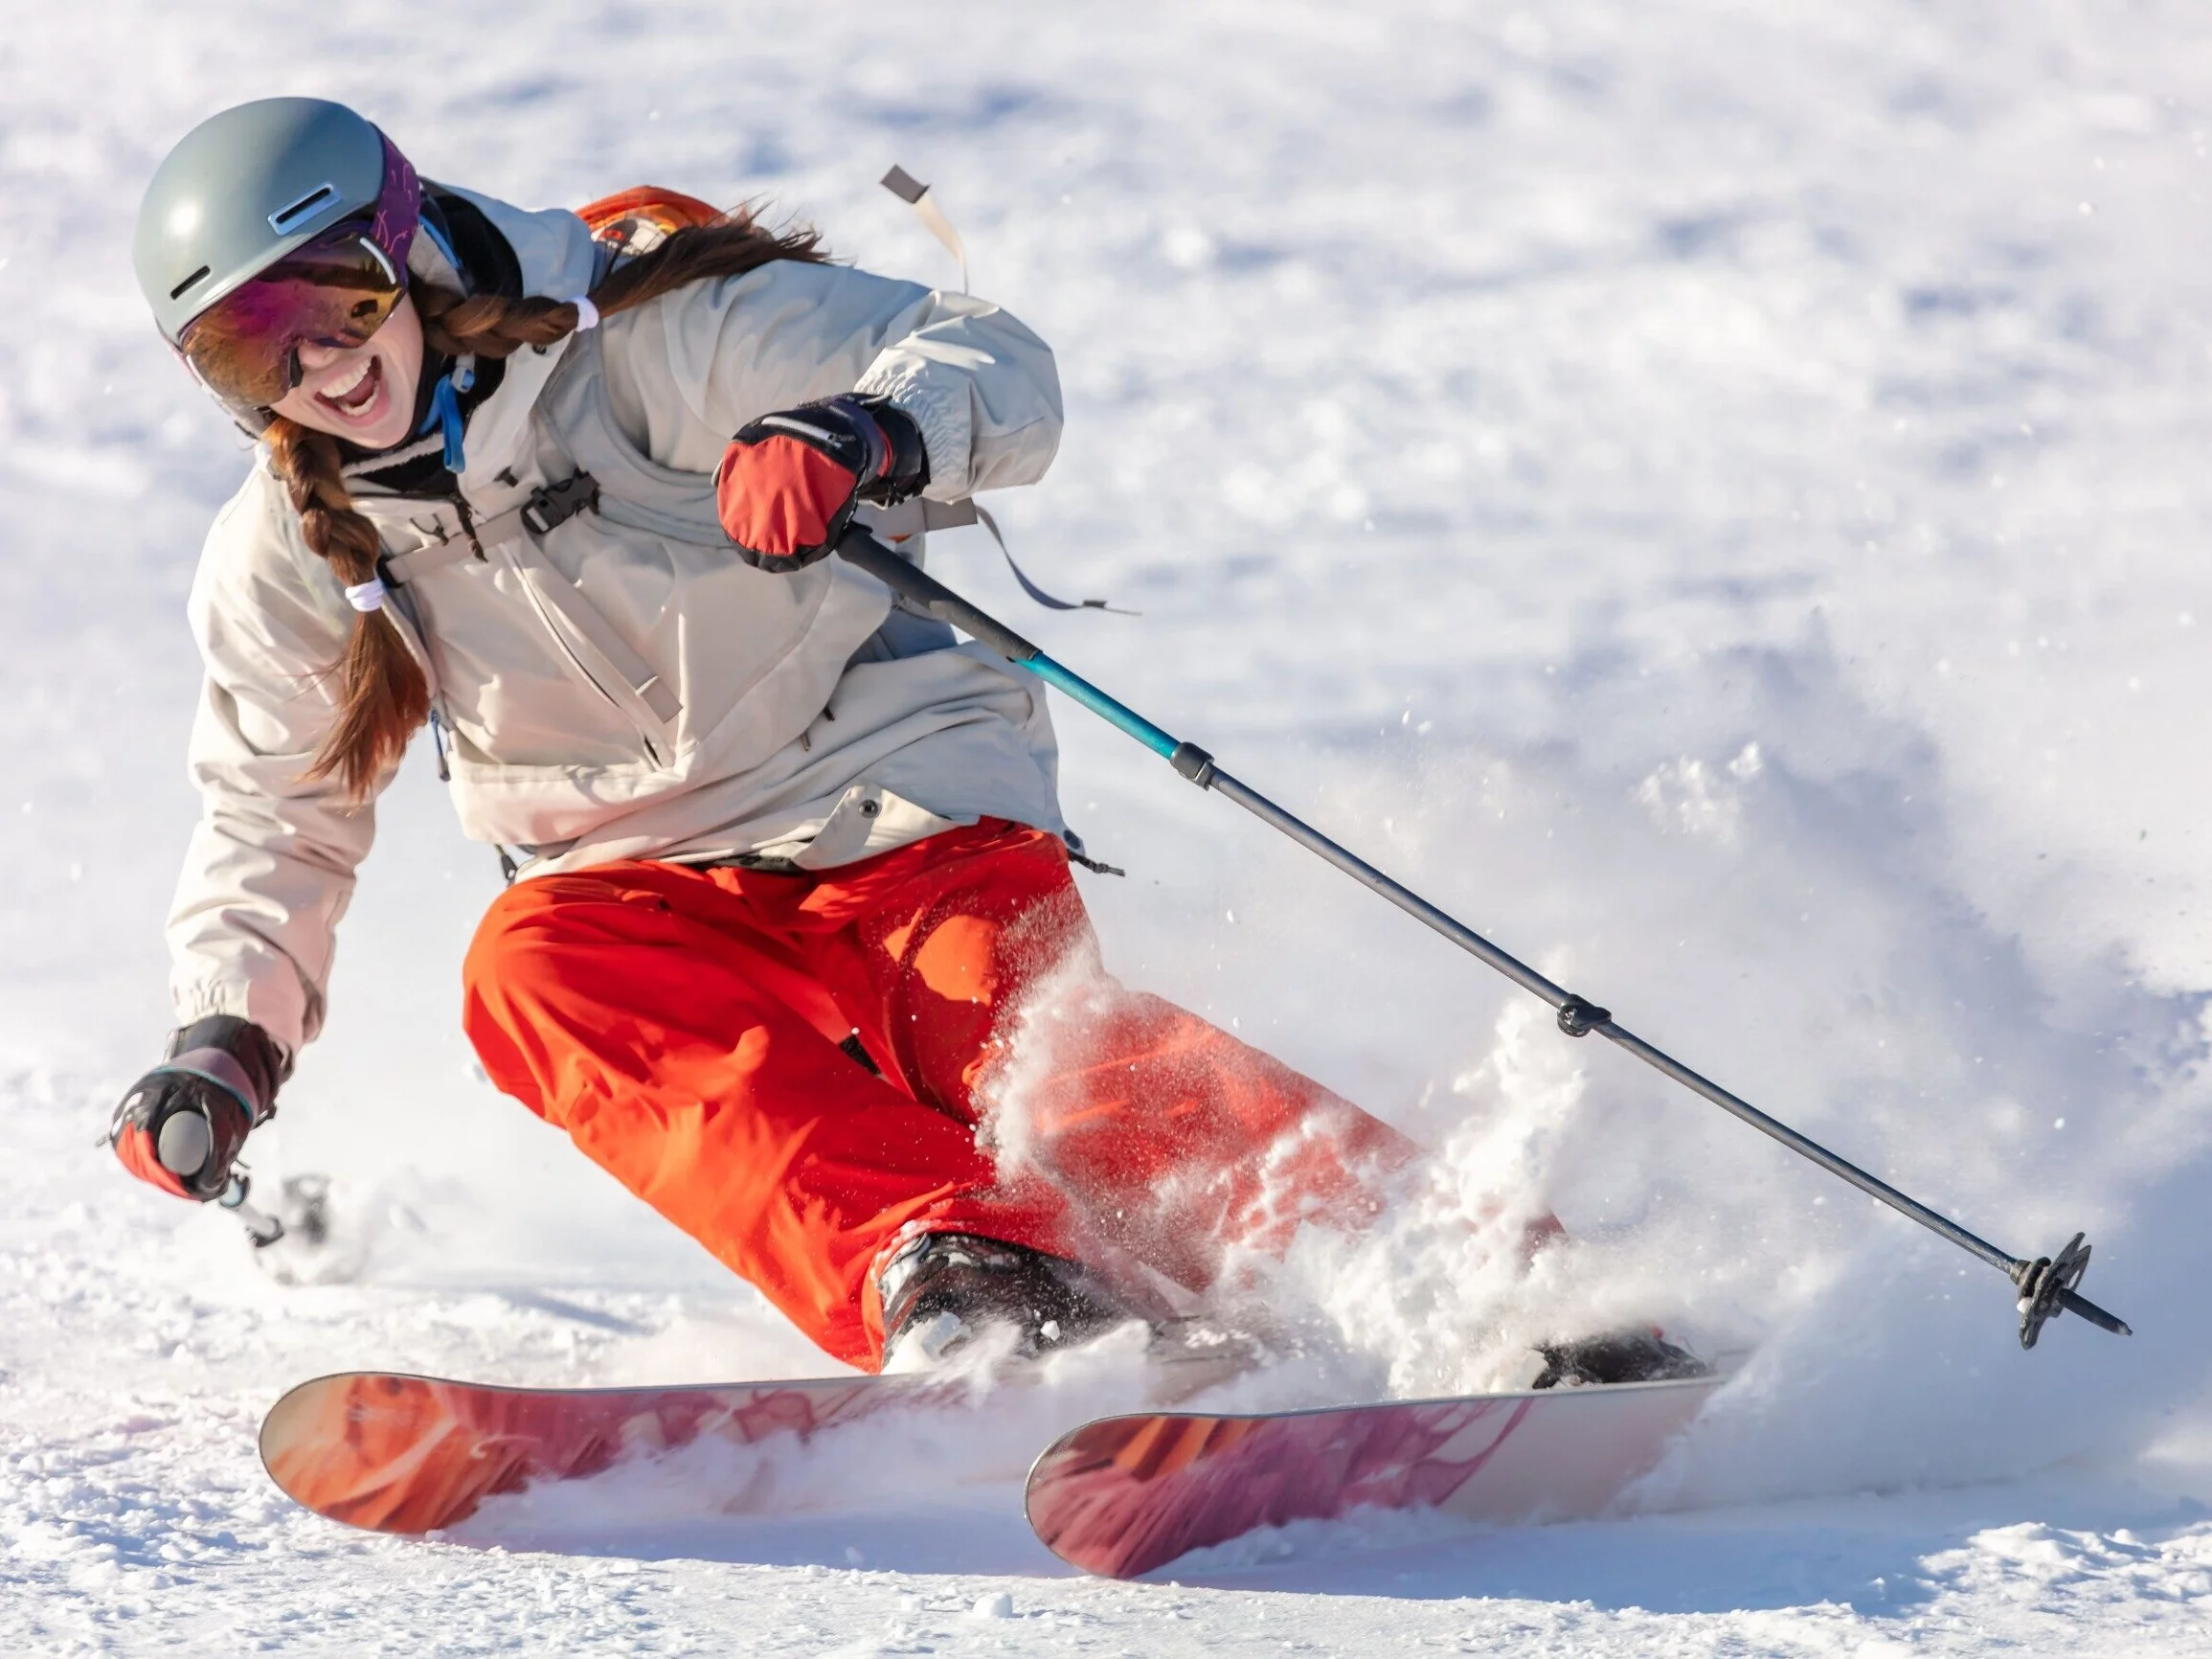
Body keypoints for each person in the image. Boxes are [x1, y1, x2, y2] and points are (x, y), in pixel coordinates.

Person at [106, 97, 1426, 1374]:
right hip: (638, 884)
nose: (319, 366)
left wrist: (866, 431)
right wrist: (228, 1034)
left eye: (339, 300)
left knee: (1021, 1062)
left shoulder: (640, 341)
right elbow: (274, 812)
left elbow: (986, 354)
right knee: (527, 973)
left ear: (408, 247)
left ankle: (1424, 1256)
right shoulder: (284, 555)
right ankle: (968, 1269)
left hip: (891, 794)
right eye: (251, 349)